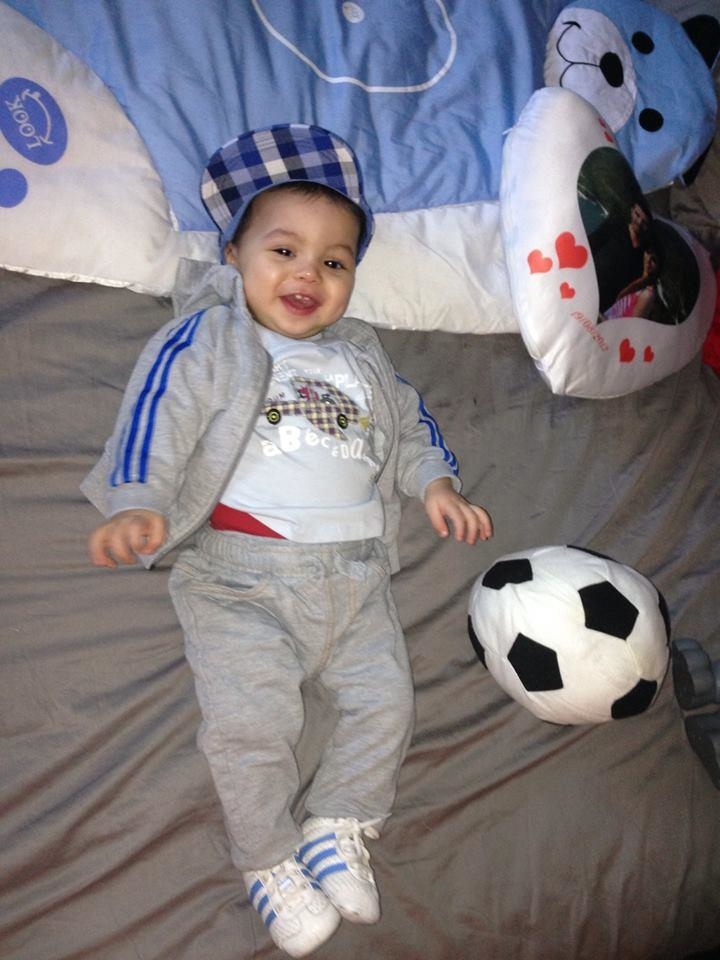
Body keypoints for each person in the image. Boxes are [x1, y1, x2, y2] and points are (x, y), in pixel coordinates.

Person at [82, 124, 493, 958]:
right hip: (240, 580)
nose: (308, 274)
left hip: (357, 579)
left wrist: (436, 485)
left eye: (335, 262)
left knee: (386, 703)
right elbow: (158, 415)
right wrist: (138, 500)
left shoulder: (361, 357)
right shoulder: (210, 337)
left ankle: (338, 823)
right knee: (252, 725)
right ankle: (267, 858)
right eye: (283, 251)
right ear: (233, 254)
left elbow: (411, 427)